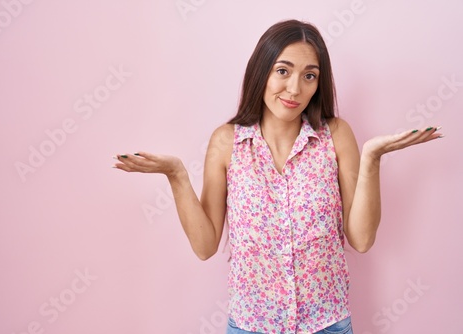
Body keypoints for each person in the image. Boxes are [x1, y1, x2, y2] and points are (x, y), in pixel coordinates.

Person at [113, 20, 442, 334]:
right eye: (282, 71)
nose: (295, 88)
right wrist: (177, 176)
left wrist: (372, 158)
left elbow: (361, 239)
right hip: (251, 325)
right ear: (261, 73)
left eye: (309, 76)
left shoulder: (337, 135)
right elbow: (204, 246)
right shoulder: (227, 142)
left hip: (327, 324)